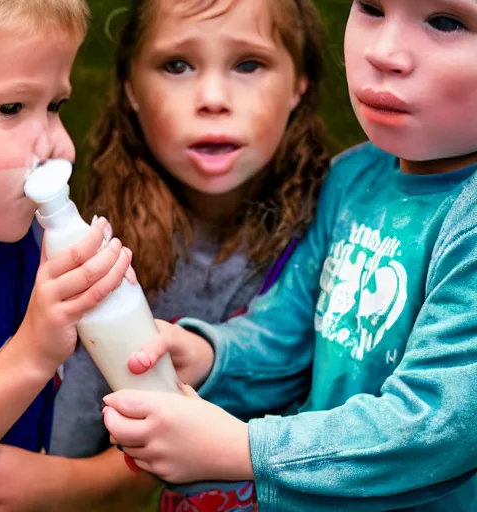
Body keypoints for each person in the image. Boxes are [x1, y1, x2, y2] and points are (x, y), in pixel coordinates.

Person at [104, 0, 477, 510]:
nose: (384, 52)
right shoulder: (353, 177)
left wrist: (242, 449)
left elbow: (438, 426)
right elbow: (289, 330)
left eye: (446, 21)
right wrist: (209, 356)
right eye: (370, 7)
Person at [50, 0, 330, 509]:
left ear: (299, 84)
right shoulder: (108, 250)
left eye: (248, 64)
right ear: (131, 88)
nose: (213, 98)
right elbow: (71, 425)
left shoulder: (339, 230)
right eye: (177, 65)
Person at [0, 1, 138, 510]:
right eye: (12, 108)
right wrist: (33, 352)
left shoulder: (15, 244)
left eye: (56, 106)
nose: (59, 145)